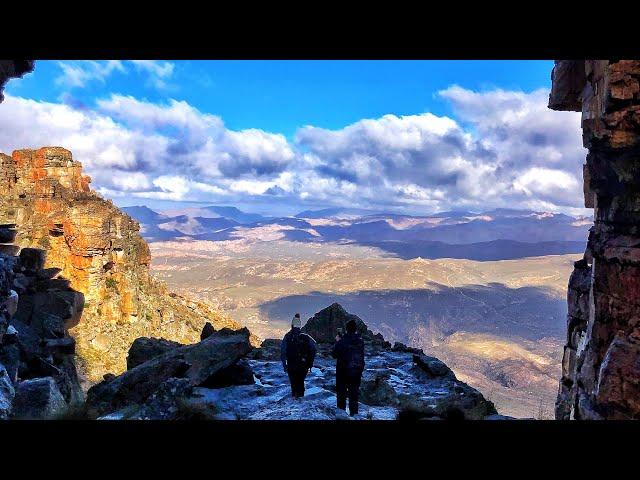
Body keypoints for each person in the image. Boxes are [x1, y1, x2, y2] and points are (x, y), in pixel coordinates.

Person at [331, 319, 365, 416]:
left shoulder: (342, 341)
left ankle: (342, 416)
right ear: (355, 329)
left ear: (346, 329)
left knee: (341, 396)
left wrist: (337, 341)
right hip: (356, 372)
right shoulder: (360, 341)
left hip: (343, 372)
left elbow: (334, 354)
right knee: (354, 396)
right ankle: (354, 415)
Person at [280, 313, 317, 398]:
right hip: (303, 365)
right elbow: (314, 349)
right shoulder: (306, 337)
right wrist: (309, 363)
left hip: (291, 365)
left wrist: (284, 365)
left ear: (292, 325)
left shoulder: (287, 337)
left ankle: (295, 400)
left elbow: (283, 352)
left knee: (293, 384)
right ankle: (301, 399)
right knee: (300, 382)